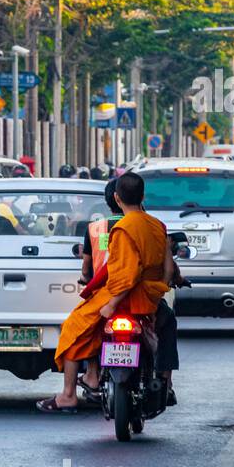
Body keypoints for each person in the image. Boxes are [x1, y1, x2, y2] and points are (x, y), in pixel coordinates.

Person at [40, 172, 170, 413]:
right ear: (143, 197)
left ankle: (70, 393)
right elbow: (168, 267)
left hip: (119, 295)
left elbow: (127, 274)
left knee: (73, 329)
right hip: (150, 297)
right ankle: (166, 381)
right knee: (167, 324)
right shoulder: (157, 226)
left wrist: (112, 303)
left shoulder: (116, 229)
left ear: (116, 198)